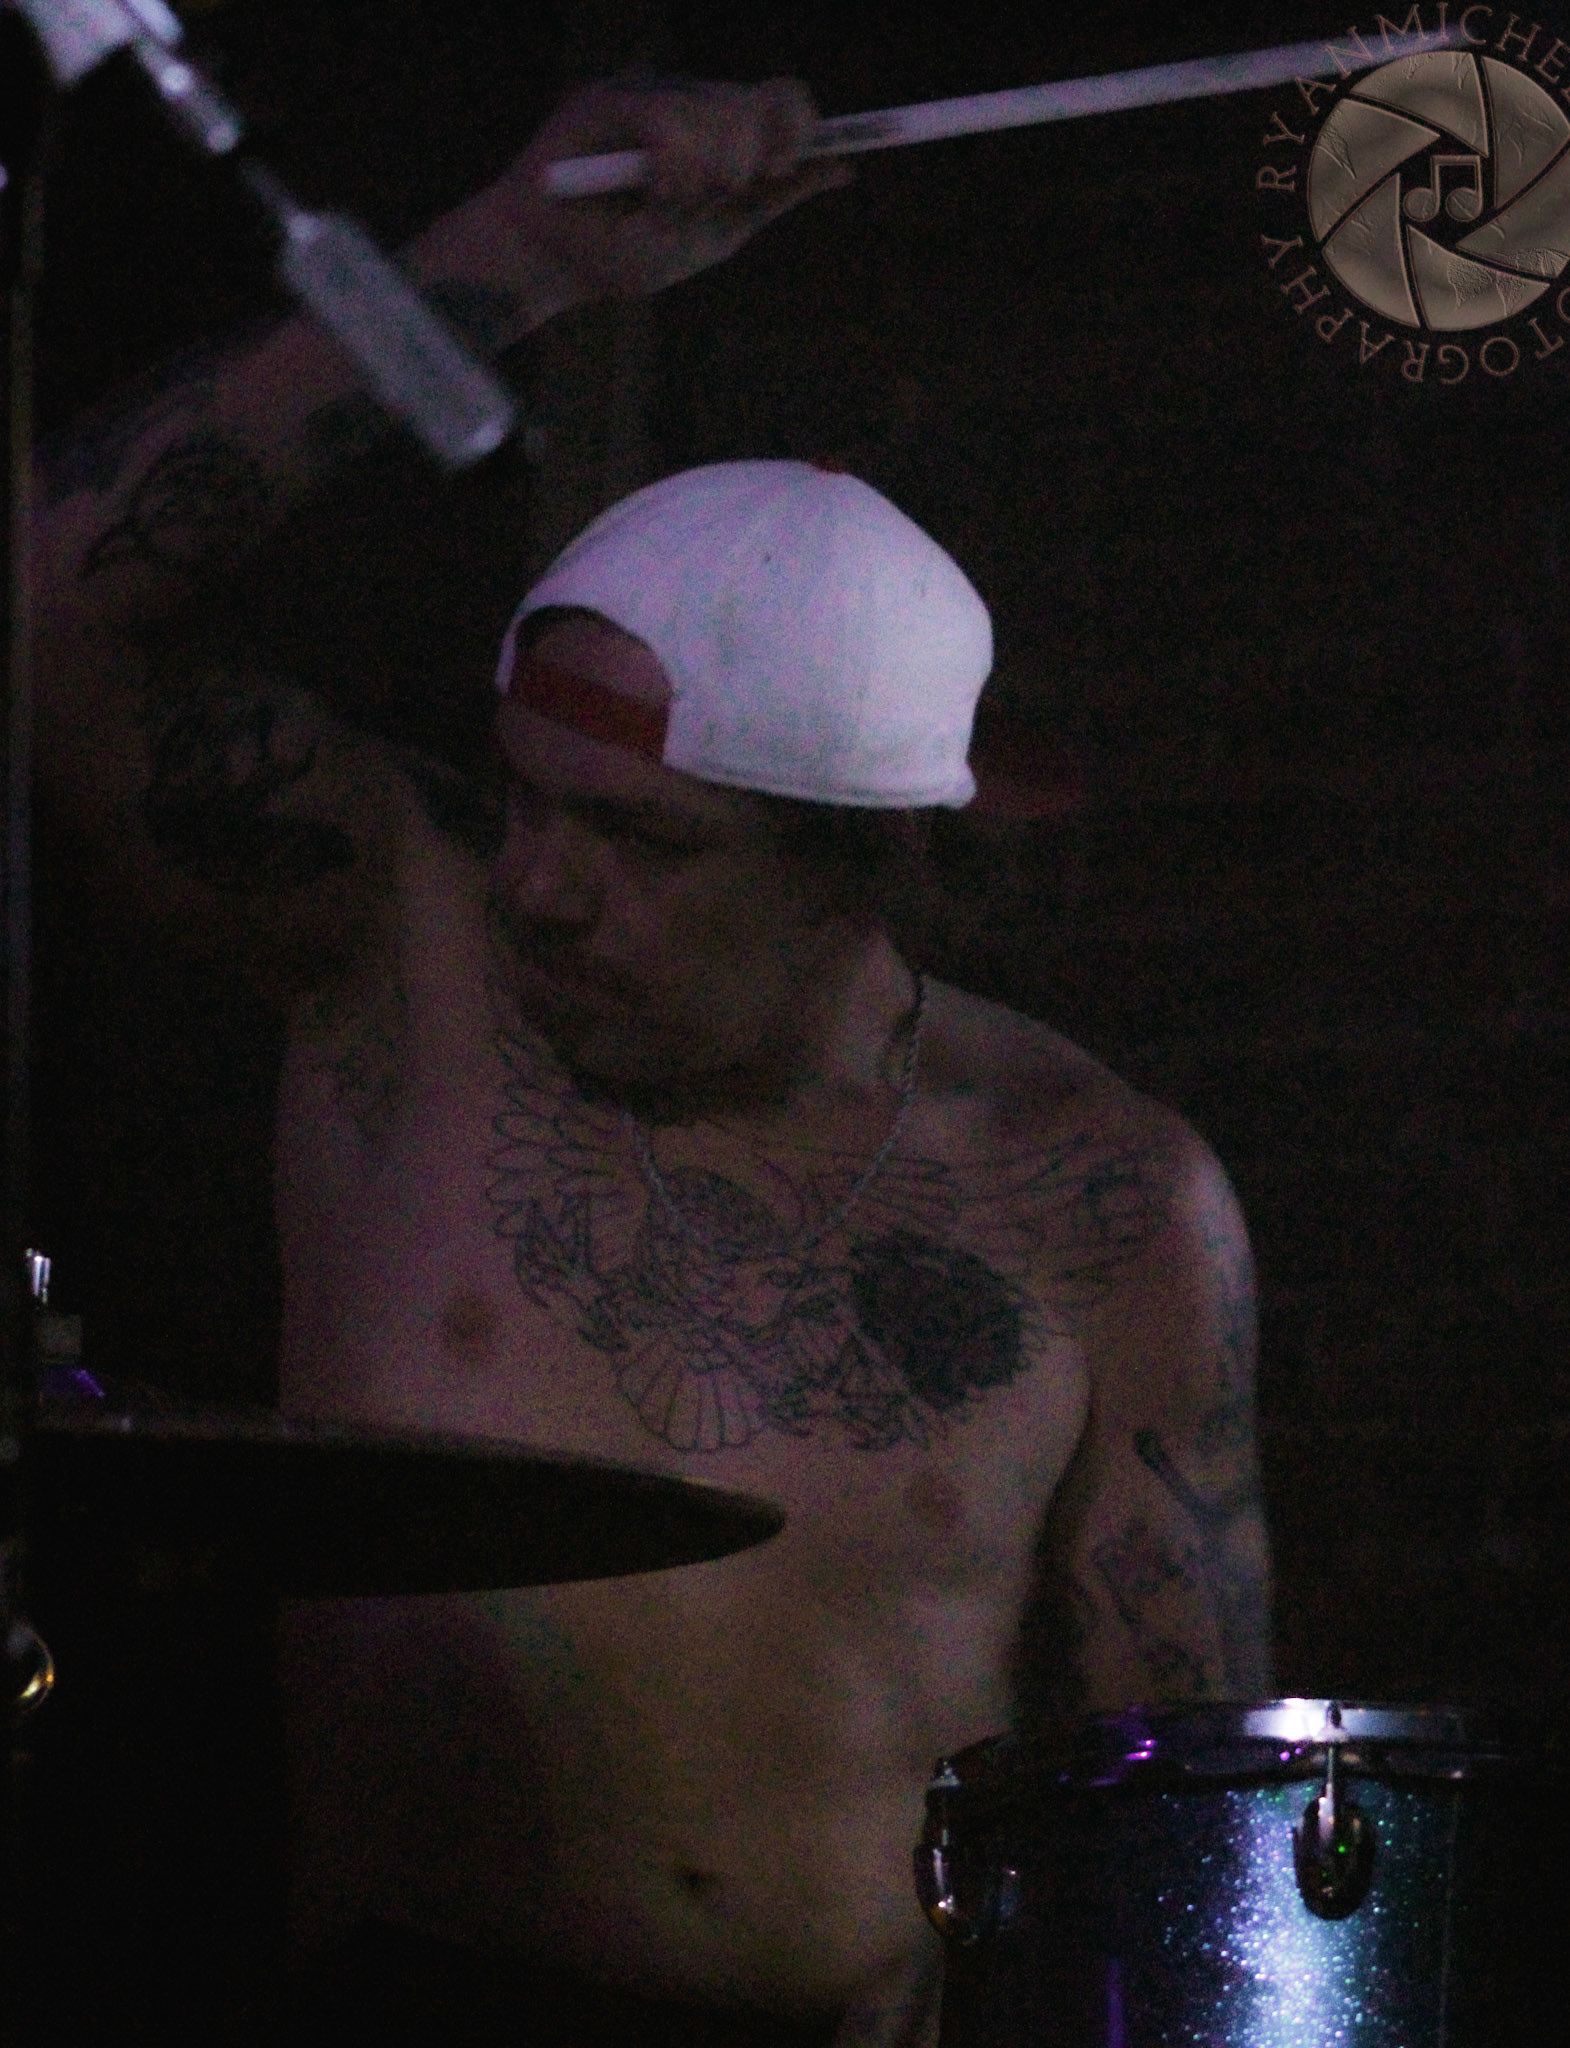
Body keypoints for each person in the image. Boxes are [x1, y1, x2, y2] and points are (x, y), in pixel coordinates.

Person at [32, 73, 1270, 2048]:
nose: (538, 883)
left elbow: (1192, 1827)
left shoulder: (1101, 1192)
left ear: (859, 865)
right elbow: (43, 616)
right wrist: (507, 256)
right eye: (527, 798)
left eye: (640, 840)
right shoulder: (398, 941)